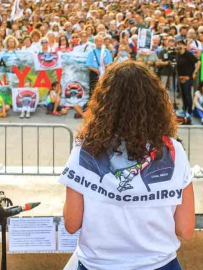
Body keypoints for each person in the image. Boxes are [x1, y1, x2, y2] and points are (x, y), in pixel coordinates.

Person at [60, 61, 194, 270]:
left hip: (98, 265)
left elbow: (71, 223)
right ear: (156, 103)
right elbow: (185, 228)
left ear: (103, 102)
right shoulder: (174, 151)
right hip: (159, 264)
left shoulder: (84, 150)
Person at [176, 40, 199, 116]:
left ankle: (189, 111)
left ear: (185, 46)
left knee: (187, 94)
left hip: (188, 77)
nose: (179, 46)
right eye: (178, 44)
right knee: (183, 94)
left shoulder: (188, 54)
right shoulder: (177, 55)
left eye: (181, 44)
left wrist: (195, 72)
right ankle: (184, 109)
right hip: (180, 77)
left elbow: (198, 62)